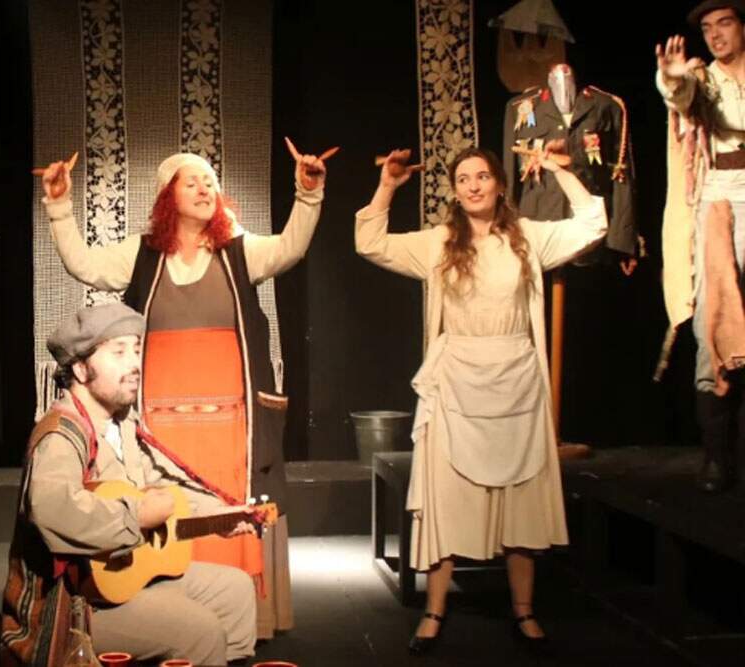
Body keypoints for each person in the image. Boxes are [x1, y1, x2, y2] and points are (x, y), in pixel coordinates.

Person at [37, 144, 328, 636]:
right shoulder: (142, 253)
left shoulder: (239, 249)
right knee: (171, 499)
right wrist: (60, 206)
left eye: (209, 182)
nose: (204, 189)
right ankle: (176, 612)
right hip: (163, 421)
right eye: (191, 182)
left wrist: (308, 194)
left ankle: (239, 617)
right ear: (168, 197)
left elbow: (290, 248)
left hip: (231, 422)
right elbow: (83, 264)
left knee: (225, 502)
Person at [355, 145, 606, 654]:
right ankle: (434, 612)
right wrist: (387, 186)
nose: (473, 186)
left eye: (483, 176)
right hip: (456, 383)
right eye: (464, 179)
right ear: (454, 190)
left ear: (499, 184)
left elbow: (593, 224)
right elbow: (370, 242)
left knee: (519, 502)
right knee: (447, 500)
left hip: (516, 382)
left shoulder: (528, 238)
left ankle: (524, 611)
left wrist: (559, 171)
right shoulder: (439, 243)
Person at [0, 302, 257, 666]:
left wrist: (220, 515)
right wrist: (136, 516)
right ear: (80, 368)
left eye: (136, 350)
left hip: (123, 581)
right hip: (73, 605)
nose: (134, 363)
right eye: (118, 352)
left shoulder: (123, 425)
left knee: (235, 591)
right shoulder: (61, 434)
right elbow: (52, 509)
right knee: (200, 631)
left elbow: (164, 485)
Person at [657, 0, 745, 492]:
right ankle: (715, 456)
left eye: (724, 23)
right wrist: (672, 80)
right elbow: (683, 96)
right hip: (719, 194)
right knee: (713, 317)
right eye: (708, 28)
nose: (715, 34)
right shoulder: (701, 77)